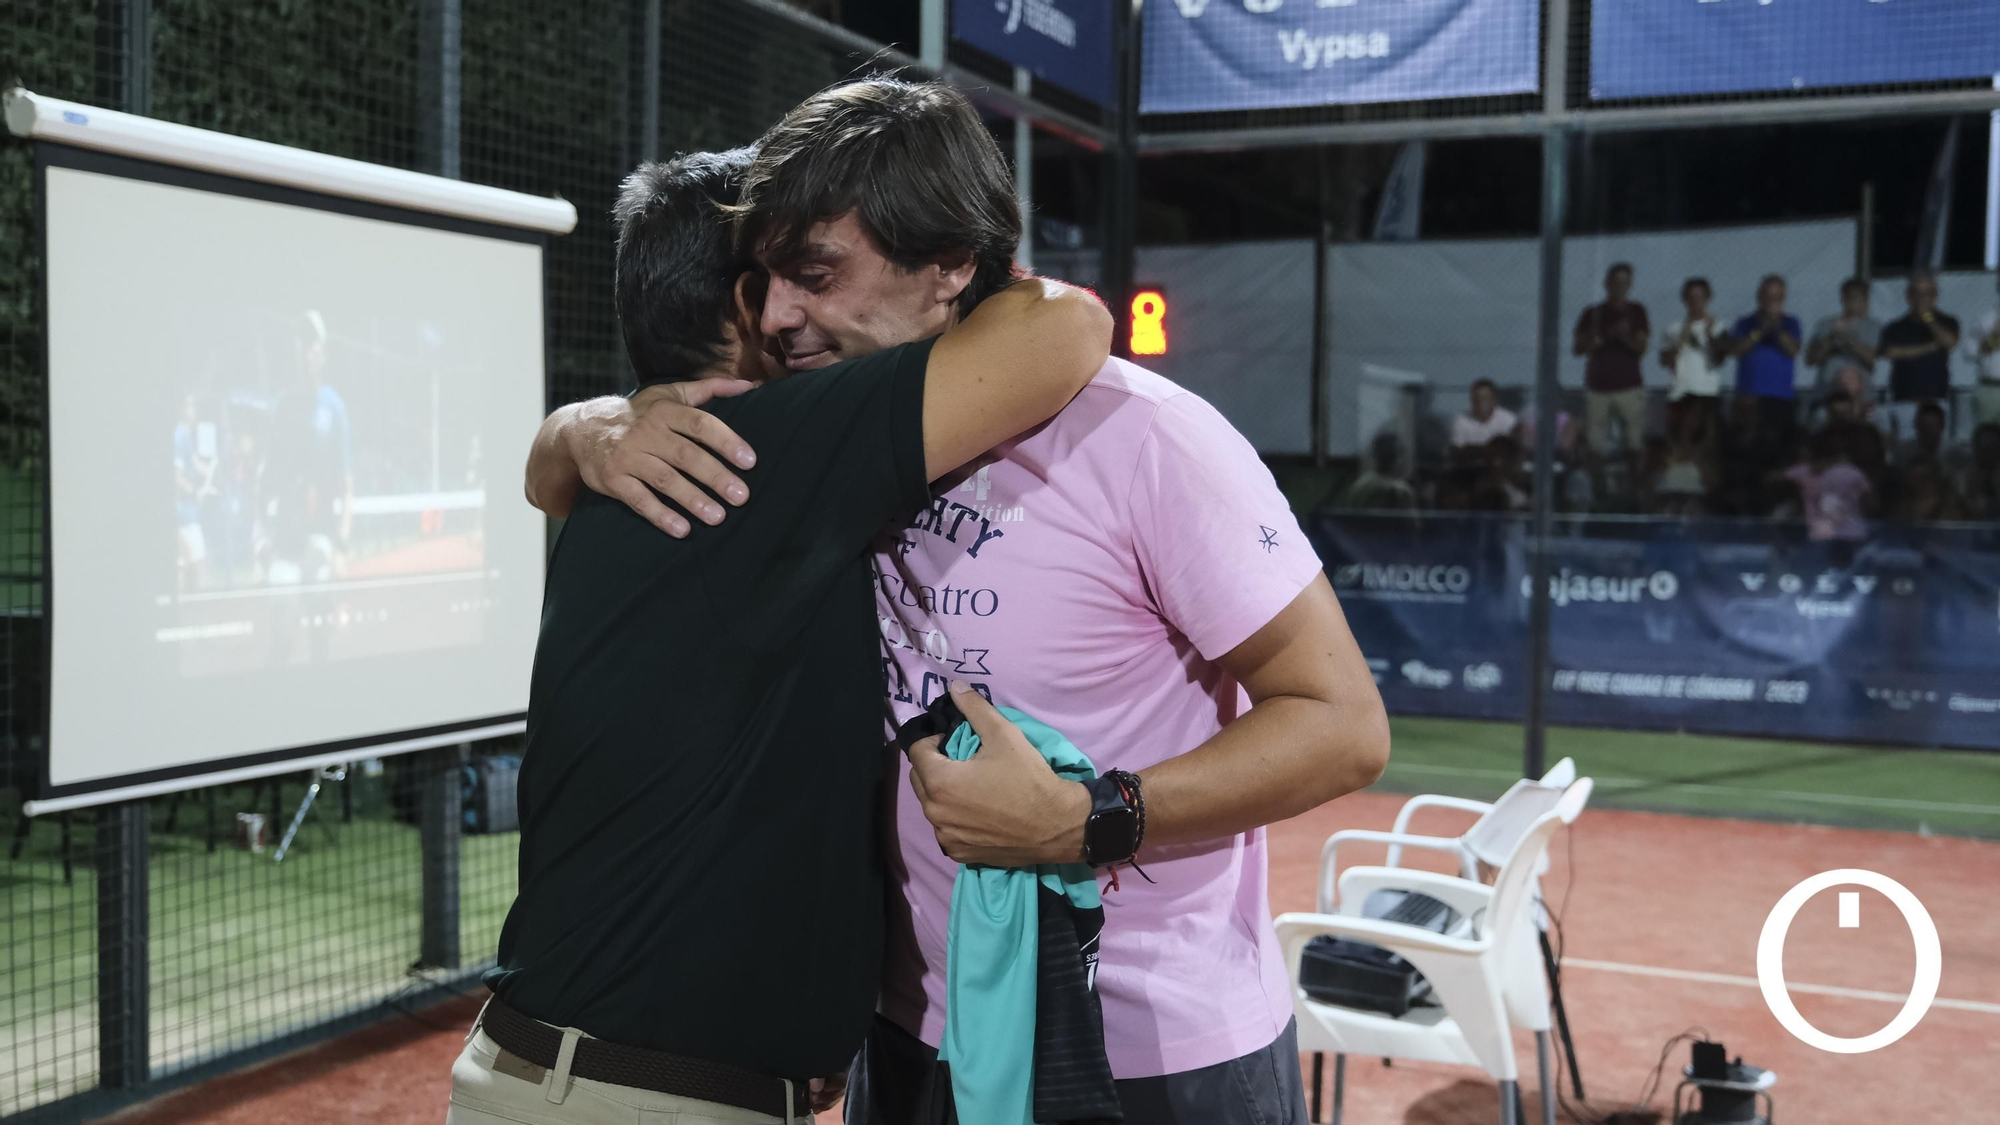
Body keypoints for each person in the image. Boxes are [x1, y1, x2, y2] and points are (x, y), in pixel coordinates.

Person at [525, 78, 1391, 1125]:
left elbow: (1342, 726)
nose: (777, 315)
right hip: (908, 1038)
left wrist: (1089, 817)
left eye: (814, 274)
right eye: (763, 280)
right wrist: (585, 426)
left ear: (948, 268)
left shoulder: (1148, 436)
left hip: (1146, 1052)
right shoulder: (819, 447)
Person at [452, 148, 1115, 1125]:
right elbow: (1069, 327)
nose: (805, 307)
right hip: (643, 1100)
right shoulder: (764, 454)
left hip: (559, 1074)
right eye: (798, 271)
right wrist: (953, 260)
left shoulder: (634, 478)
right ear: (745, 302)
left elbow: (543, 472)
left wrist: (575, 430)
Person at [1573, 262, 1651, 457]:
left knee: (1634, 444)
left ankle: (1633, 486)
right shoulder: (1592, 313)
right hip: (1598, 388)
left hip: (1629, 387)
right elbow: (1578, 348)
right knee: (1593, 445)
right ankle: (1598, 486)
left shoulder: (1636, 311)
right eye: (1616, 282)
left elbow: (1641, 348)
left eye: (1625, 283)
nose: (1620, 287)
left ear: (1630, 285)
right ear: (1607, 284)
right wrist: (1604, 337)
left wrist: (1624, 336)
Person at [1877, 273, 1960, 443]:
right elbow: (1892, 353)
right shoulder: (1895, 327)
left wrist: (1928, 317)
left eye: (1928, 293)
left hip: (1936, 401)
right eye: (1917, 293)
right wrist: (1931, 346)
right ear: (1909, 295)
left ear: (1935, 295)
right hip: (1904, 401)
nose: (1922, 298)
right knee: (1905, 446)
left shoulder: (1948, 321)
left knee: (1937, 447)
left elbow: (1949, 342)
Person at [1725, 275, 1804, 449]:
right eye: (1767, 296)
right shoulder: (1744, 323)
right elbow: (1738, 350)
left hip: (1780, 396)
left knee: (1777, 447)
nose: (1771, 301)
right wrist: (1759, 330)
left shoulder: (1791, 323)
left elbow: (1793, 350)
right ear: (1759, 296)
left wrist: (1776, 327)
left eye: (1776, 297)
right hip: (1749, 396)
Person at [1782, 425, 1874, 542]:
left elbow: (1869, 503)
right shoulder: (1807, 471)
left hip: (1837, 532)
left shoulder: (1844, 474)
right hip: (1829, 531)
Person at [1659, 277, 1724, 432]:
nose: (1696, 302)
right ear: (1684, 300)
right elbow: (1664, 361)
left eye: (1700, 297)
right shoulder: (1673, 328)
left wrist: (1709, 336)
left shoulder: (1718, 327)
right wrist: (1682, 337)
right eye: (1691, 298)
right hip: (1680, 393)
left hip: (1707, 392)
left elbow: (1719, 360)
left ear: (1708, 299)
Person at [1804, 278, 1881, 401]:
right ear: (1843, 298)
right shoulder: (1825, 325)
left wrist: (1849, 342)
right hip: (1826, 395)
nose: (1854, 302)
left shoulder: (1872, 326)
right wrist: (1830, 340)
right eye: (1850, 297)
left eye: (1859, 298)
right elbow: (1810, 359)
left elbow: (1871, 357)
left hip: (1861, 398)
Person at [1338, 432, 1419, 511]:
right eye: (1401, 453)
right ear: (1396, 458)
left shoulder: (1361, 485)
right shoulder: (1401, 492)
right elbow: (1412, 523)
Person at [1449, 378, 1520, 451]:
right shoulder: (1461, 421)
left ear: (1493, 399)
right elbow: (1457, 449)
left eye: (1485, 398)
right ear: (1471, 400)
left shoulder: (1509, 420)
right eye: (1476, 398)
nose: (1480, 402)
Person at [1967, 272, 2000, 426]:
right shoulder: (1986, 318)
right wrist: (1994, 337)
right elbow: (1969, 352)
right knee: (1986, 438)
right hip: (1989, 389)